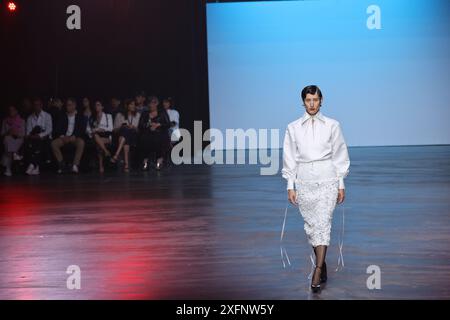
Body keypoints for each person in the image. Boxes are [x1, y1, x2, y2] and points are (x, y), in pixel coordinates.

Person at [282, 85, 350, 293]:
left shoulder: (332, 125)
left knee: (323, 223)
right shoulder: (293, 127)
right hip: (304, 182)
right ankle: (323, 262)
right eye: (308, 100)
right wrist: (290, 185)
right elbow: (289, 158)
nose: (312, 104)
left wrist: (341, 183)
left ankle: (317, 269)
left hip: (327, 179)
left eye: (316, 100)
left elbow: (340, 155)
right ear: (303, 102)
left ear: (322, 101)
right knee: (312, 226)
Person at [51, 98, 87, 174]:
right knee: (54, 143)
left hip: (75, 137)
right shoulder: (63, 116)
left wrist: (74, 136)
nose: (68, 107)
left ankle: (75, 165)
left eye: (70, 105)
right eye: (67, 105)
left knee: (81, 143)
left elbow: (82, 129)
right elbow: (57, 129)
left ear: (74, 105)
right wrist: (62, 136)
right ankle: (62, 164)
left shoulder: (80, 116)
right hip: (64, 137)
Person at [138, 96, 171, 170]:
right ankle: (145, 160)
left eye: (153, 103)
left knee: (160, 139)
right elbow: (140, 125)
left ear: (157, 103)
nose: (151, 105)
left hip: (160, 133)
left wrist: (158, 125)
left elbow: (168, 124)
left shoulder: (162, 112)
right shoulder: (145, 113)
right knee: (144, 139)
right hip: (148, 133)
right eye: (150, 103)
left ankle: (159, 160)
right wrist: (148, 125)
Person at [24, 97, 53, 175]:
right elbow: (28, 132)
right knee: (34, 143)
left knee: (40, 142)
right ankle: (36, 167)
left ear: (41, 105)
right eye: (35, 105)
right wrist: (34, 136)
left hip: (45, 138)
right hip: (33, 138)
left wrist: (39, 135)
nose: (36, 107)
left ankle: (32, 164)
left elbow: (49, 130)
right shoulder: (30, 118)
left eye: (38, 105)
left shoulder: (47, 116)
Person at [111, 99, 140, 172]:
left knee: (126, 133)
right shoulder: (119, 115)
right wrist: (121, 126)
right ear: (127, 106)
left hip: (134, 136)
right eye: (131, 104)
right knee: (124, 130)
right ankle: (126, 165)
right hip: (122, 135)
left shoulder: (138, 115)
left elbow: (140, 130)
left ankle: (116, 155)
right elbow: (114, 130)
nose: (133, 106)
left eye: (134, 104)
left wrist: (133, 127)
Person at [87, 100, 113, 173]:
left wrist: (102, 129)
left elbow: (111, 128)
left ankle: (101, 165)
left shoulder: (108, 116)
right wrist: (94, 130)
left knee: (98, 143)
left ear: (102, 107)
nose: (96, 107)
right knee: (96, 137)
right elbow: (87, 129)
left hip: (106, 136)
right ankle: (106, 151)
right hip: (95, 136)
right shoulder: (92, 117)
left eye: (98, 105)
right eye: (95, 105)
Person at [1, 105, 25, 176]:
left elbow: (23, 134)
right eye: (10, 110)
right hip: (8, 139)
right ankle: (15, 154)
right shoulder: (5, 121)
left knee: (8, 146)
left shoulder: (22, 121)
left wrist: (16, 133)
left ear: (16, 111)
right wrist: (8, 132)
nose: (11, 112)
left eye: (13, 110)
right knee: (7, 139)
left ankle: (8, 169)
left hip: (18, 139)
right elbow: (2, 134)